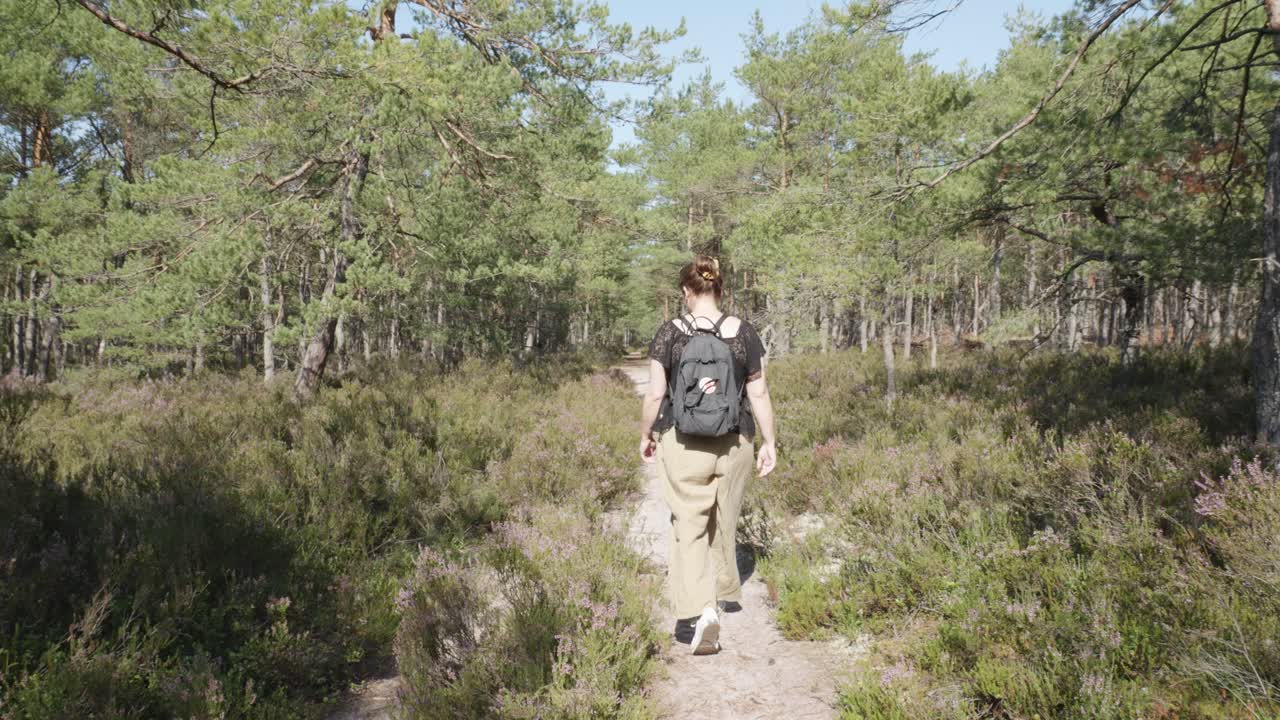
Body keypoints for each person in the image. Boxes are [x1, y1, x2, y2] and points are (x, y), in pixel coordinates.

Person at [639, 255, 778, 656]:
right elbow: (759, 392)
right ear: (721, 289)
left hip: (682, 442)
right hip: (735, 442)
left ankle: (701, 609)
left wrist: (646, 433)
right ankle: (721, 589)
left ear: (686, 291)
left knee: (689, 523)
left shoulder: (670, 333)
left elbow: (653, 393)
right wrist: (769, 442)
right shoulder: (744, 333)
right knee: (723, 522)